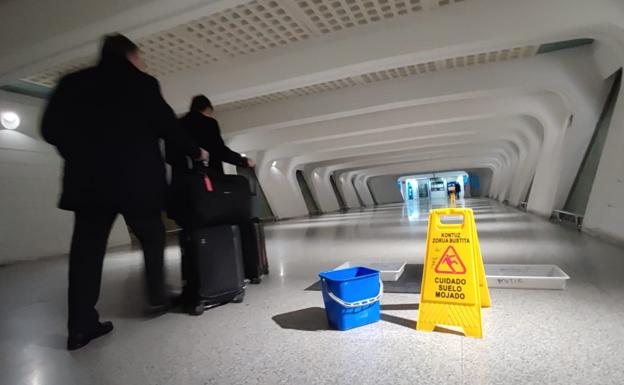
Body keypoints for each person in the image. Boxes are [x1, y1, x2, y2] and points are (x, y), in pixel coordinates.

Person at [41, 33, 208, 351]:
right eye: (140, 57)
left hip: (88, 183)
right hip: (137, 181)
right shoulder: (142, 83)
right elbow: (168, 127)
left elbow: (49, 129)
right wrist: (196, 151)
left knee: (86, 254)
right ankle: (157, 298)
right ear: (130, 56)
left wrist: (76, 153)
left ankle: (80, 326)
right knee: (153, 237)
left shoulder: (72, 82)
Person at [166, 95, 255, 222]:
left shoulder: (178, 125)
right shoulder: (209, 123)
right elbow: (219, 150)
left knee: (191, 218)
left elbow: (169, 156)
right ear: (208, 109)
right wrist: (244, 161)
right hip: (207, 180)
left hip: (183, 183)